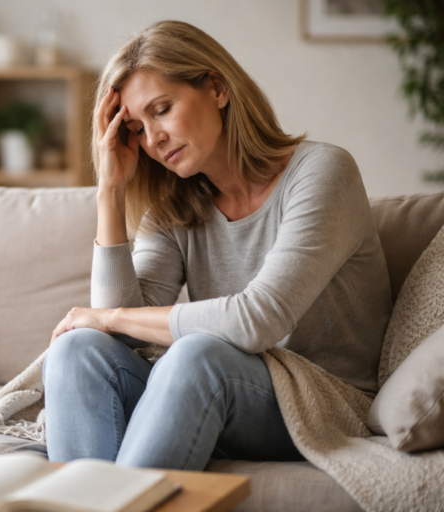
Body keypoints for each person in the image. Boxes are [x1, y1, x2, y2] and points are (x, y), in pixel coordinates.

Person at [42, 20, 392, 470]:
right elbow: (121, 334)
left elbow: (256, 321)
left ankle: (117, 497)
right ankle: (83, 498)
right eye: (135, 128)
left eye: (162, 110)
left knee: (196, 354)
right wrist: (110, 190)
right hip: (211, 392)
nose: (153, 139)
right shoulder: (175, 206)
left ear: (217, 89)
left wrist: (108, 317)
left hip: (322, 400)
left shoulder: (323, 172)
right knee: (76, 348)